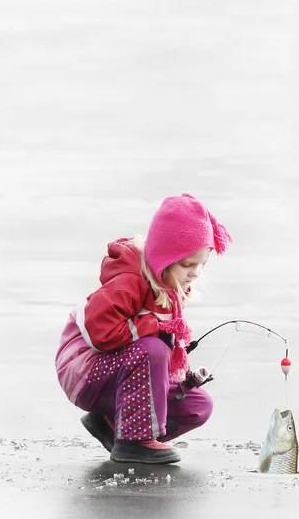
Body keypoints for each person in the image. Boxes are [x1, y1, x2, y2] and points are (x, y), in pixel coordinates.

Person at [55, 193, 233, 465]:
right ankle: (134, 443)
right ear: (165, 257)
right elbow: (99, 334)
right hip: (85, 372)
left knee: (197, 406)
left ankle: (112, 425)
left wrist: (183, 378)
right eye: (187, 264)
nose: (195, 273)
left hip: (123, 372)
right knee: (153, 348)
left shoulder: (170, 289)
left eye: (201, 264)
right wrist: (156, 327)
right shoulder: (129, 281)